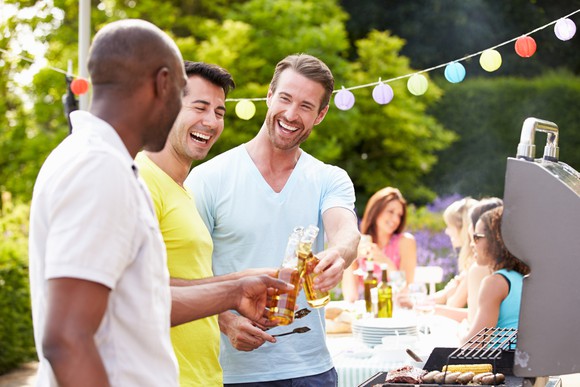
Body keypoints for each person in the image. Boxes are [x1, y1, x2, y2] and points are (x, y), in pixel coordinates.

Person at [28, 20, 293, 387]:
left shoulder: (103, 161)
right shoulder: (99, 168)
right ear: (162, 83)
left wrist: (234, 290)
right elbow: (66, 338)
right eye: (184, 95)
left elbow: (137, 298)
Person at [185, 53, 361, 386]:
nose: (292, 115)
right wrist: (226, 320)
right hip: (230, 373)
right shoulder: (209, 179)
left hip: (311, 372)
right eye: (285, 98)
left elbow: (346, 231)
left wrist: (338, 255)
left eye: (307, 106)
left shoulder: (329, 178)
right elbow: (187, 277)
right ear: (269, 95)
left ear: (321, 115)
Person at [136, 61, 267, 386]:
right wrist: (235, 288)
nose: (211, 121)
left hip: (202, 375)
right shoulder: (142, 182)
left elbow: (177, 281)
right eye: (200, 107)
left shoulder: (184, 191)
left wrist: (242, 283)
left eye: (220, 112)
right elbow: (135, 292)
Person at [461, 206, 530, 344]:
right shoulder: (519, 277)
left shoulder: (495, 283)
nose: (472, 244)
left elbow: (474, 345)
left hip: (502, 363)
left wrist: (461, 332)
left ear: (496, 240)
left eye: (476, 237)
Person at [342, 187, 417, 304]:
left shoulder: (405, 242)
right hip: (369, 312)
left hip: (396, 312)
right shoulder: (360, 243)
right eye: (391, 212)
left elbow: (405, 292)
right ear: (376, 210)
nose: (396, 219)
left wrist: (385, 263)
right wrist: (352, 259)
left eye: (399, 215)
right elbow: (350, 297)